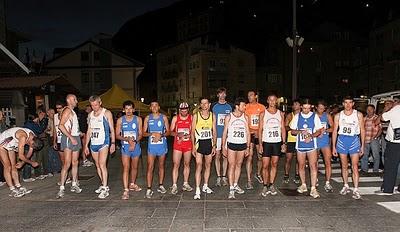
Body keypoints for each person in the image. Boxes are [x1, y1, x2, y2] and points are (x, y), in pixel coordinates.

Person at [332, 96, 365, 200]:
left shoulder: (358, 114)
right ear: (343, 104)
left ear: (353, 104)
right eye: (346, 102)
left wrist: (362, 145)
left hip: (354, 140)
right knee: (344, 166)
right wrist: (333, 146)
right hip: (342, 141)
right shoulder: (338, 115)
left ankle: (355, 189)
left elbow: (362, 130)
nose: (348, 105)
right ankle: (346, 185)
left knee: (354, 166)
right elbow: (334, 131)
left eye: (350, 102)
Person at [290, 98, 323, 198]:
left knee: (313, 166)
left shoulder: (314, 116)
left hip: (311, 145)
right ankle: (303, 184)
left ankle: (313, 188)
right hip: (300, 145)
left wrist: (311, 136)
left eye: (308, 108)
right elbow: (292, 131)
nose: (306, 110)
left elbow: (319, 131)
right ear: (301, 107)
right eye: (304, 108)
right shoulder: (297, 116)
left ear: (311, 107)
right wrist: (300, 132)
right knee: (301, 165)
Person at [84, 96, 115, 199]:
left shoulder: (106, 113)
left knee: (102, 165)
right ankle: (103, 184)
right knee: (97, 165)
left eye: (96, 105)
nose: (94, 107)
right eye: (92, 105)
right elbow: (89, 131)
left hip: (104, 143)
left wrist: (113, 143)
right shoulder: (90, 115)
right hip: (94, 143)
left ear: (100, 103)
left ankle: (105, 188)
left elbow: (112, 130)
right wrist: (86, 146)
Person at [0, 127, 43, 197]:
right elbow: (21, 156)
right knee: (7, 166)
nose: (29, 146)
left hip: (11, 145)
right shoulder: (23, 136)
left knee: (14, 166)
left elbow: (29, 153)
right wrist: (32, 163)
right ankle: (12, 190)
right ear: (32, 142)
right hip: (2, 144)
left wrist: (22, 163)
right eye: (30, 145)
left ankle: (19, 186)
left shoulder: (33, 138)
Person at [221, 97, 250, 199]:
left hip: (242, 144)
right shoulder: (229, 117)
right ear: (237, 106)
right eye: (243, 105)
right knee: (231, 165)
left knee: (239, 165)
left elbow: (247, 132)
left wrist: (248, 147)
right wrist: (223, 147)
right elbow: (224, 132)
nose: (245, 107)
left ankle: (236, 184)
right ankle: (231, 188)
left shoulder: (245, 117)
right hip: (231, 144)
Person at [258, 94, 286, 196]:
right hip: (266, 142)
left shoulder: (280, 113)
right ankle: (265, 185)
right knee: (265, 165)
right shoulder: (263, 113)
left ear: (276, 101)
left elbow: (283, 128)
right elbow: (260, 130)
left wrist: (284, 143)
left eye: (274, 100)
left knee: (274, 164)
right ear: (267, 101)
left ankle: (271, 184)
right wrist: (260, 144)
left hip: (277, 142)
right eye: (270, 100)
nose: (272, 102)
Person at [115, 100, 143, 200]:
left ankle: (132, 184)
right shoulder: (120, 120)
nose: (128, 110)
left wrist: (134, 141)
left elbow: (141, 134)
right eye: (126, 109)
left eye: (130, 108)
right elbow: (117, 135)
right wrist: (127, 139)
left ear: (133, 109)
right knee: (126, 167)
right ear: (123, 110)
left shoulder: (138, 119)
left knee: (135, 167)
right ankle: (126, 190)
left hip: (135, 146)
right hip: (126, 147)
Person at [56, 94, 83, 198]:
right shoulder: (67, 110)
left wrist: (78, 133)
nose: (76, 101)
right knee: (67, 164)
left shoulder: (72, 111)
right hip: (69, 138)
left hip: (75, 137)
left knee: (75, 162)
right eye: (74, 99)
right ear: (69, 100)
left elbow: (71, 125)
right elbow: (61, 125)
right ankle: (62, 188)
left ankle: (74, 184)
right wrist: (71, 137)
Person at [143, 101, 170, 198]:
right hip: (152, 146)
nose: (154, 107)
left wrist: (161, 135)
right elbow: (143, 133)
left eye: (156, 105)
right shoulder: (147, 118)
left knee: (161, 166)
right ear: (150, 108)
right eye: (152, 105)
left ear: (159, 107)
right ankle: (149, 188)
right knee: (150, 166)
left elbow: (168, 132)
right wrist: (152, 134)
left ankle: (161, 185)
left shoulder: (163, 117)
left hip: (162, 145)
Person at [192, 97, 217, 200]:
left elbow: (214, 131)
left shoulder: (212, 115)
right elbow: (192, 132)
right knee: (198, 165)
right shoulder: (196, 116)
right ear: (200, 105)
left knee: (208, 165)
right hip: (199, 143)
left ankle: (205, 186)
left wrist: (214, 145)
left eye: (206, 103)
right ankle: (197, 189)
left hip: (208, 143)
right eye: (202, 104)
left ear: (209, 104)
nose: (204, 105)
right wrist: (193, 146)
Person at [374, 99, 400, 195]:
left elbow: (383, 118)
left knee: (390, 166)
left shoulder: (396, 109)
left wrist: (387, 109)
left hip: (395, 143)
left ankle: (388, 189)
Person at [169, 102, 193, 195]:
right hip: (178, 145)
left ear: (188, 110)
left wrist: (189, 135)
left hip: (188, 144)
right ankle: (174, 185)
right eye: (182, 110)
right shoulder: (175, 118)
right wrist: (178, 134)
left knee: (187, 164)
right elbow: (170, 132)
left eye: (186, 109)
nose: (184, 111)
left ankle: (185, 183)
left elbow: (194, 130)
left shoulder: (191, 118)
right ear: (179, 110)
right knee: (176, 164)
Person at [212, 87, 232, 187]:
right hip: (217, 136)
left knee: (225, 156)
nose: (222, 95)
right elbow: (212, 122)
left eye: (224, 93)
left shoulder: (230, 107)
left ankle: (224, 177)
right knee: (217, 155)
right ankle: (218, 177)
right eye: (220, 93)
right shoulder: (214, 107)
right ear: (218, 95)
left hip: (227, 136)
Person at [245, 90, 265, 188]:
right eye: (248, 95)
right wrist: (249, 132)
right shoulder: (245, 107)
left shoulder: (261, 107)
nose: (249, 97)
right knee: (249, 156)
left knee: (260, 156)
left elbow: (264, 121)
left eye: (251, 95)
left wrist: (260, 132)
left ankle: (258, 174)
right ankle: (249, 180)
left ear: (256, 96)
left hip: (260, 134)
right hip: (250, 134)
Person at [22, 106, 49, 182]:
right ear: (35, 118)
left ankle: (27, 176)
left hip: (26, 143)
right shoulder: (32, 124)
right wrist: (40, 120)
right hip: (29, 143)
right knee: (28, 158)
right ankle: (26, 177)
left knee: (28, 157)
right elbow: (40, 130)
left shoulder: (27, 123)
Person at [316, 100, 334, 192]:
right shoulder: (312, 116)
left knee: (328, 162)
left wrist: (325, 130)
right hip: (315, 141)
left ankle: (327, 182)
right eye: (320, 108)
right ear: (316, 107)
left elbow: (333, 128)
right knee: (314, 162)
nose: (321, 110)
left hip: (325, 142)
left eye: (323, 108)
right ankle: (315, 179)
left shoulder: (327, 116)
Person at [284, 99, 301, 184]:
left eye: (296, 104)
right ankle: (286, 174)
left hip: (300, 140)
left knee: (299, 159)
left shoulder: (303, 116)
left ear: (300, 106)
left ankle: (297, 175)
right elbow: (285, 126)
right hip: (291, 139)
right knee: (288, 159)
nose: (294, 106)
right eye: (294, 104)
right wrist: (292, 129)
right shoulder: (290, 115)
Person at [361, 104, 381, 174]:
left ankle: (375, 170)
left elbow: (380, 129)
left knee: (376, 155)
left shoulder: (377, 118)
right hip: (365, 139)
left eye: (371, 109)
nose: (369, 111)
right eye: (368, 109)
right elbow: (361, 129)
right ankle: (364, 169)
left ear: (374, 110)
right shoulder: (364, 118)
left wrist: (375, 137)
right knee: (364, 155)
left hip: (374, 139)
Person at [0, 110, 8, 187]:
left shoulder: (2, 122)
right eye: (1, 114)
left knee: (3, 163)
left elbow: (5, 131)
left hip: (3, 143)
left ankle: (3, 179)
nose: (3, 116)